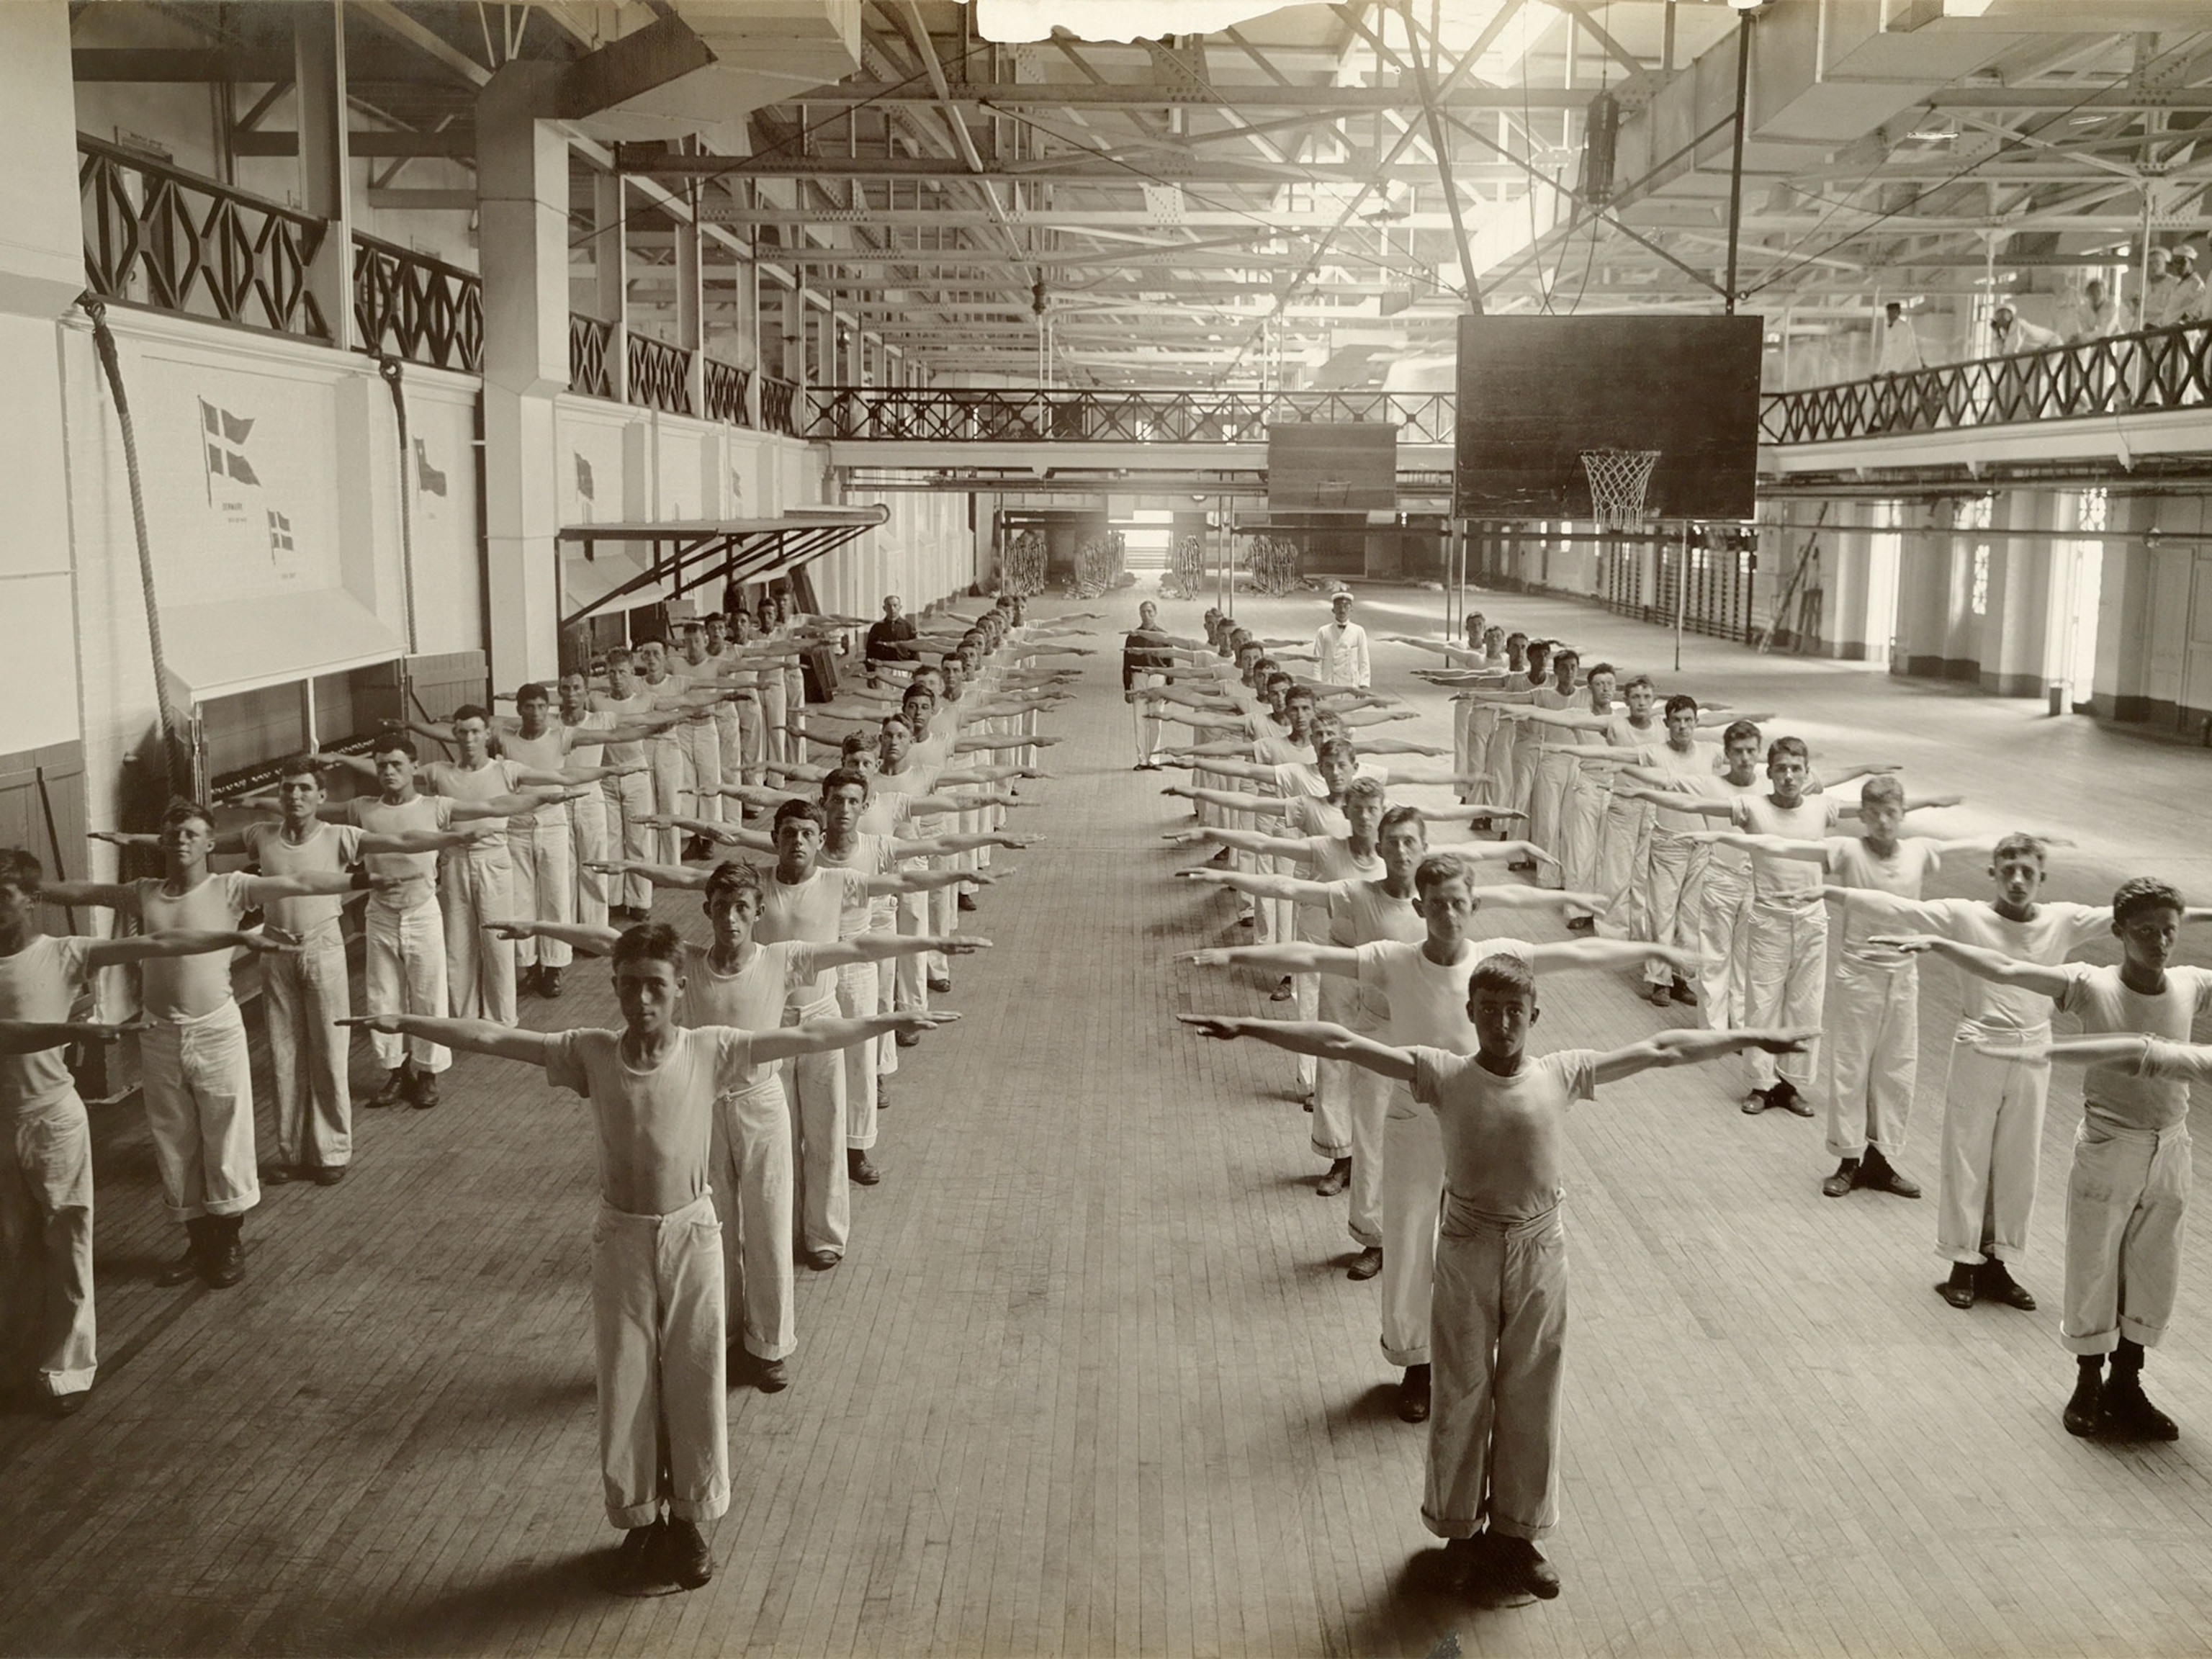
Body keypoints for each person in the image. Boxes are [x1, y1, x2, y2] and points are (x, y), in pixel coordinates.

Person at [341, 923, 948, 1592]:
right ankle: (637, 1518)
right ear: (615, 987)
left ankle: (689, 1520)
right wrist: (405, 1021)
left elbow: (807, 1038)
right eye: (629, 986)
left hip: (692, 1236)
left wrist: (889, 1019)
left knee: (695, 1376)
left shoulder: (711, 1049)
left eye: (655, 986)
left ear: (680, 988)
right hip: (622, 1240)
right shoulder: (591, 1052)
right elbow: (492, 1037)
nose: (642, 1000)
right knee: (625, 1380)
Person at [1181, 966, 1809, 1604]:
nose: (1502, 1023)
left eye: (1514, 1010)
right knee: (1461, 1391)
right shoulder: (1443, 1074)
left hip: (1540, 1251)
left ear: (1534, 1015)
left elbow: (1662, 1048)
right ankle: (1459, 1533)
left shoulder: (1561, 1074)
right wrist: (1248, 1026)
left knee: (1533, 1392)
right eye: (1488, 1009)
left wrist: (1749, 1038)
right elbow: (1342, 1042)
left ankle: (1518, 1535)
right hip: (1468, 1247)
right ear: (1471, 1012)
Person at [1182, 855, 1693, 1425]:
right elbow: (1312, 957)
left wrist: (1653, 951)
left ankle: (1478, 1357)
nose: (1449, 914)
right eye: (1438, 904)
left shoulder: (1497, 958)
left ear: (1475, 905)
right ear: (1419, 906)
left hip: (1483, 1124)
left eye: (1458, 903)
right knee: (1407, 1241)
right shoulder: (1393, 959)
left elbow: (1577, 955)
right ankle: (1416, 1365)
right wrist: (1235, 959)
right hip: (1416, 1118)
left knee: (1481, 1244)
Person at [490, 864, 972, 1393]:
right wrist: (538, 927)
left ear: (759, 911)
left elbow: (857, 949)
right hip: (700, 1109)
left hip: (762, 1103)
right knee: (716, 1228)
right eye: (721, 907)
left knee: (769, 1223)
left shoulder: (781, 960)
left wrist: (934, 943)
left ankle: (770, 1344)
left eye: (742, 907)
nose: (731, 919)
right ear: (708, 910)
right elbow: (611, 940)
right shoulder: (690, 964)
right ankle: (723, 1336)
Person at [1878, 878, 2211, 1443]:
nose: (2160, 943)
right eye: (2146, 931)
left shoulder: (2191, 983)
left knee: (2155, 1270)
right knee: (2094, 1265)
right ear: (2119, 932)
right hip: (2110, 1145)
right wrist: (1939, 944)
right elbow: (2008, 969)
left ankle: (2127, 1382)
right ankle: (2088, 1381)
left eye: (2168, 931)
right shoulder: (2089, 984)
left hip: (2171, 1148)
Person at [593, 799, 980, 1266]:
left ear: (819, 840)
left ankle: (824, 1234)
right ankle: (783, 1229)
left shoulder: (834, 882)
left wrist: (938, 935)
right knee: (781, 1136)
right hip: (769, 1024)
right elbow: (689, 878)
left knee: (825, 1128)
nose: (797, 842)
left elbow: (874, 927)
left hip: (819, 1016)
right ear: (774, 839)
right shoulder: (753, 886)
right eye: (789, 833)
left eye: (806, 834)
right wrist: (631, 866)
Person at [0, 848, 297, 1414]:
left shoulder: (66, 952)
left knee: (68, 1241)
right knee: (11, 1246)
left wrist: (234, 938)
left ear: (32, 900)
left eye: (3, 896)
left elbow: (162, 943)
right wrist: (73, 1031)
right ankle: (15, 1358)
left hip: (53, 1120)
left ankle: (67, 1370)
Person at [39, 801, 350, 1290]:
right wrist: (29, 889)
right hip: (159, 1033)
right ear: (163, 842)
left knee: (225, 1135)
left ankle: (228, 1240)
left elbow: (300, 883)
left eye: (191, 833)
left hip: (215, 1031)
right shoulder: (144, 892)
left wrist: (363, 879)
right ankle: (198, 1241)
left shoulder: (231, 888)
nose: (181, 840)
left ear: (209, 843)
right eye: (174, 833)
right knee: (175, 1139)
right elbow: (86, 891)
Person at [1690, 775, 2001, 1200]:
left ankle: (1880, 1159)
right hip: (1859, 977)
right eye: (1874, 814)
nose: (1883, 822)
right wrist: (1722, 837)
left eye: (1891, 813)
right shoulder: (1848, 850)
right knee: (1852, 1070)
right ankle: (1848, 1159)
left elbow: (1967, 848)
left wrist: (2022, 840)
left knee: (1895, 1071)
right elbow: (1783, 846)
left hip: (1903, 979)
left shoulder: (1920, 851)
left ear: (1902, 814)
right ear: (1864, 817)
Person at [221, 757, 492, 1182]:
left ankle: (331, 1152)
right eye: (287, 788)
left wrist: (454, 836)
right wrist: (136, 840)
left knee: (329, 1051)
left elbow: (401, 839)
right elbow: (202, 844)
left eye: (304, 789)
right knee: (284, 1054)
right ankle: (291, 1153)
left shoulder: (340, 835)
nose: (295, 796)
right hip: (275, 949)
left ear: (321, 796)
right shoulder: (261, 835)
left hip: (322, 946)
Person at [318, 734, 554, 1110]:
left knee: (428, 995)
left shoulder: (436, 806)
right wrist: (255, 803)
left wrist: (546, 797)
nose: (388, 772)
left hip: (422, 912)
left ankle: (427, 1074)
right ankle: (396, 1072)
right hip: (380, 915)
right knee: (383, 994)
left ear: (414, 767)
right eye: (382, 765)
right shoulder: (362, 809)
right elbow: (311, 810)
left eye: (396, 764)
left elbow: (492, 804)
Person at [349, 706, 591, 1027]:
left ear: (487, 734)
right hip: (455, 862)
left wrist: (606, 774)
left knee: (497, 939)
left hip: (494, 860)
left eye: (476, 731)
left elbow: (557, 778)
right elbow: (385, 767)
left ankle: (502, 1019)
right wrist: (340, 760)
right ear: (455, 735)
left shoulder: (503, 770)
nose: (469, 739)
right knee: (458, 943)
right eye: (462, 732)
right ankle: (463, 1018)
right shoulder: (439, 772)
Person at [1313, 593, 1371, 688]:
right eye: (1339, 606)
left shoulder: (1358, 631)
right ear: (1333, 610)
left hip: (1352, 684)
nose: (1342, 610)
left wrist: (1364, 683)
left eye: (1346, 606)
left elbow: (1363, 659)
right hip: (1330, 683)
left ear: (1351, 609)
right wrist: (1317, 684)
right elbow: (1317, 661)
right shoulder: (1323, 631)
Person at [865, 595, 919, 680]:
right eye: (889, 606)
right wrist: (870, 670)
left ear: (900, 607)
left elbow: (915, 649)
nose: (892, 609)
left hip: (902, 668)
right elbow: (870, 650)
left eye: (895, 605)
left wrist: (917, 671)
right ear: (884, 608)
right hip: (882, 668)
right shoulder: (877, 628)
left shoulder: (908, 627)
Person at [1876, 300, 1923, 373]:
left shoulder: (1904, 328)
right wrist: (1878, 372)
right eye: (1889, 312)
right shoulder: (1888, 329)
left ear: (1898, 313)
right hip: (1897, 369)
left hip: (1909, 368)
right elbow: (1885, 352)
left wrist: (1895, 370)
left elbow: (1904, 350)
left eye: (1893, 312)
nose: (1890, 315)